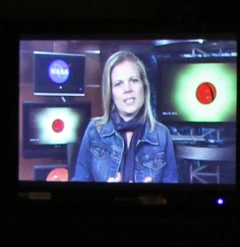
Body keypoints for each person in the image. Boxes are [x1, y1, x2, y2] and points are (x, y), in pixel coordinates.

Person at [70, 49, 179, 184]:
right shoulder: (94, 130)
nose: (127, 89)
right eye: (118, 84)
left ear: (144, 87)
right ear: (110, 93)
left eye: (133, 80)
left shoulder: (162, 135)